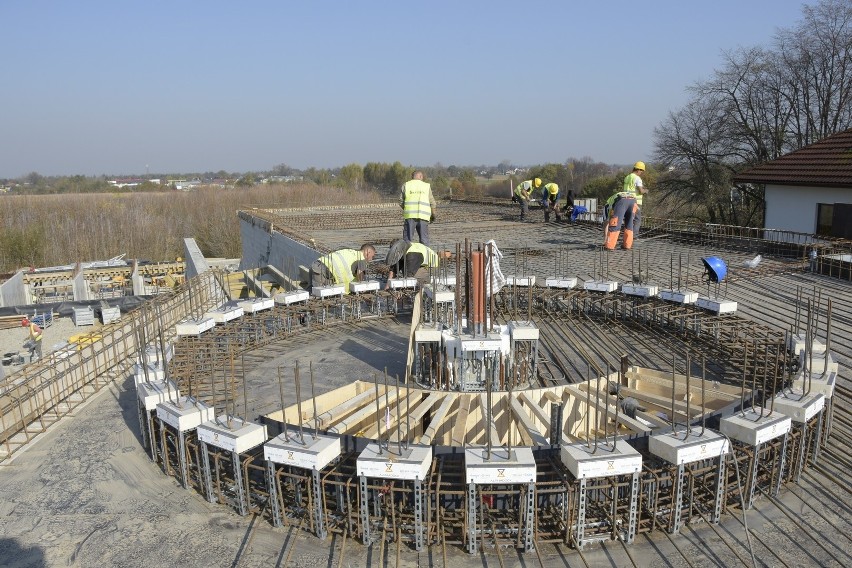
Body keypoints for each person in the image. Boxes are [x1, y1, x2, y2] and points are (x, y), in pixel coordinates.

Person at [310, 244, 376, 293]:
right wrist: (362, 288)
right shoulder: (361, 258)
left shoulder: (350, 252)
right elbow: (360, 273)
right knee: (319, 294)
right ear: (368, 252)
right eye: (372, 256)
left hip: (320, 268)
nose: (371, 259)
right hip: (321, 269)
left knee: (326, 292)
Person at [384, 239, 450, 288]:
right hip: (419, 261)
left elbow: (408, 277)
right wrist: (387, 287)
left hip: (432, 266)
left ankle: (424, 289)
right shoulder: (403, 248)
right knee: (403, 267)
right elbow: (393, 270)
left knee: (415, 274)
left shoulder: (413, 255)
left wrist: (400, 290)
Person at [400, 171, 436, 246]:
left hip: (410, 216)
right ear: (420, 176)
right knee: (424, 240)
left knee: (407, 240)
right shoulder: (426, 186)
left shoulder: (406, 185)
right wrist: (433, 215)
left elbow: (400, 201)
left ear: (412, 177)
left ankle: (406, 256)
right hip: (423, 216)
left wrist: (407, 208)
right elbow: (432, 202)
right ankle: (425, 256)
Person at [621, 161, 648, 236]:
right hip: (635, 202)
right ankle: (634, 236)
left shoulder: (627, 177)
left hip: (625, 201)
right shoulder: (637, 178)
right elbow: (641, 191)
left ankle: (626, 236)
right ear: (638, 169)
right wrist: (645, 191)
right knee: (637, 219)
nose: (642, 173)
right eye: (642, 171)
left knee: (628, 219)